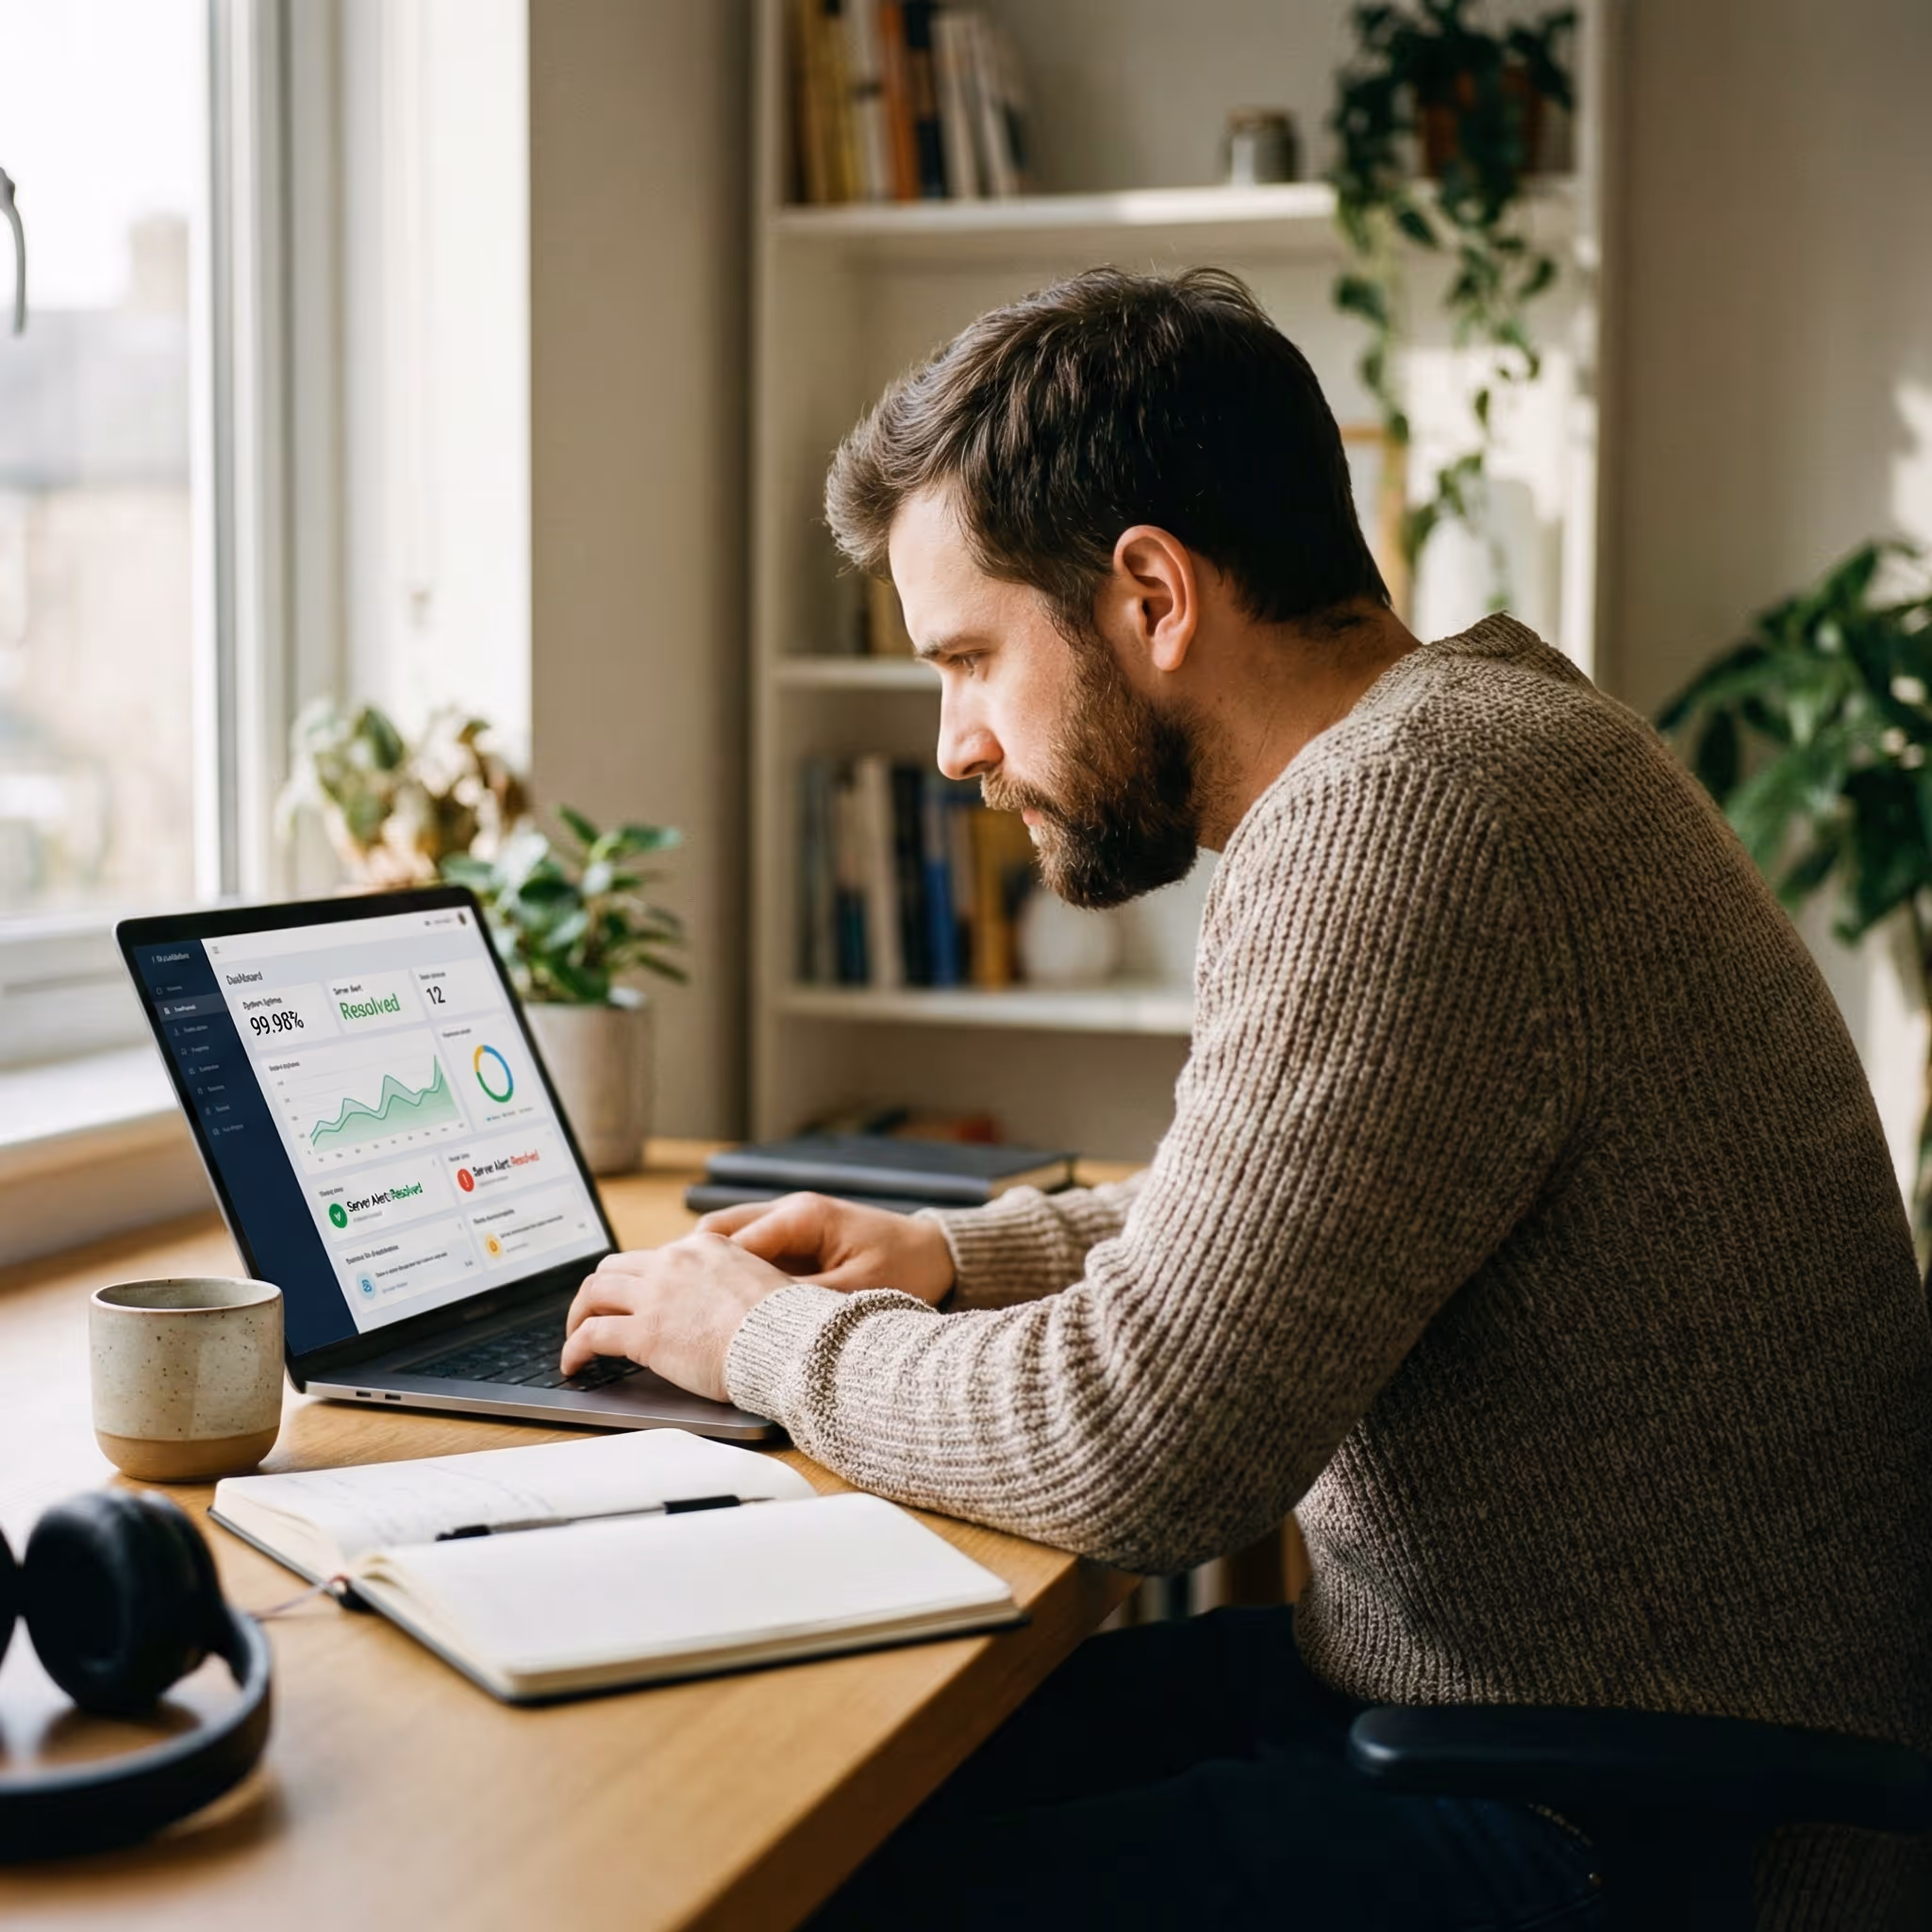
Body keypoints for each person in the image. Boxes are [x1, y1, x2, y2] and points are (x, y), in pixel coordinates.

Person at [558, 268, 1932, 1928]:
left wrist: (755, 1341)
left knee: (812, 1878)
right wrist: (950, 1258)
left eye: (973, 659)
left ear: (1151, 594)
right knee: (813, 1770)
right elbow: (1323, 1202)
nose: (954, 748)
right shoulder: (1487, 734)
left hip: (1642, 1823)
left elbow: (1142, 1453)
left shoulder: (1406, 819)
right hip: (1527, 1716)